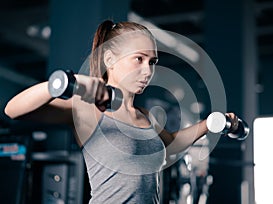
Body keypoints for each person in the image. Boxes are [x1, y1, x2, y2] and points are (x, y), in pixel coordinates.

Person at [4, 20, 238, 204]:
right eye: (139, 59)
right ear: (110, 60)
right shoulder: (88, 111)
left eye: (152, 62)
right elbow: (13, 109)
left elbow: (172, 145)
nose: (147, 70)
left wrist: (209, 124)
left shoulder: (144, 116)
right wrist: (62, 83)